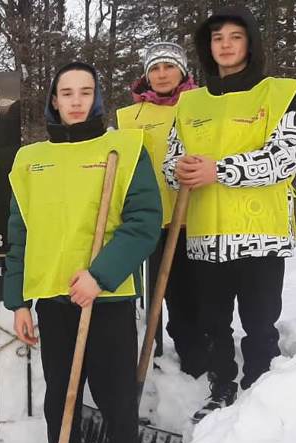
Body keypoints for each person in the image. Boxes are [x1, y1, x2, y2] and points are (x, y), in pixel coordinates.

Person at [4, 62, 161, 443]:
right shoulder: (30, 160)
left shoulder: (125, 149)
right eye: (66, 92)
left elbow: (145, 223)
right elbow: (19, 233)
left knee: (116, 399)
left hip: (106, 298)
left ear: (97, 97)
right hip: (53, 299)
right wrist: (18, 301)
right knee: (60, 398)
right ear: (53, 99)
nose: (76, 101)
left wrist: (100, 275)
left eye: (85, 91)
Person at [163, 6, 296, 421]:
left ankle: (260, 394)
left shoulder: (284, 93)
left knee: (259, 325)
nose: (225, 45)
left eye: (235, 36)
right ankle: (222, 388)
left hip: (259, 236)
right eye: (217, 38)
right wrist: (177, 169)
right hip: (205, 239)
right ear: (206, 46)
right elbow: (171, 160)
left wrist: (220, 170)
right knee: (213, 325)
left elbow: (283, 158)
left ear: (250, 42)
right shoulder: (190, 102)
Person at [116, 42, 206, 377]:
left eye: (169, 66)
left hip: (190, 220)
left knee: (187, 301)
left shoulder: (201, 106)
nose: (162, 74)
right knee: (149, 299)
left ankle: (194, 365)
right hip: (146, 222)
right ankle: (148, 363)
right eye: (155, 68)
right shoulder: (128, 117)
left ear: (182, 71)